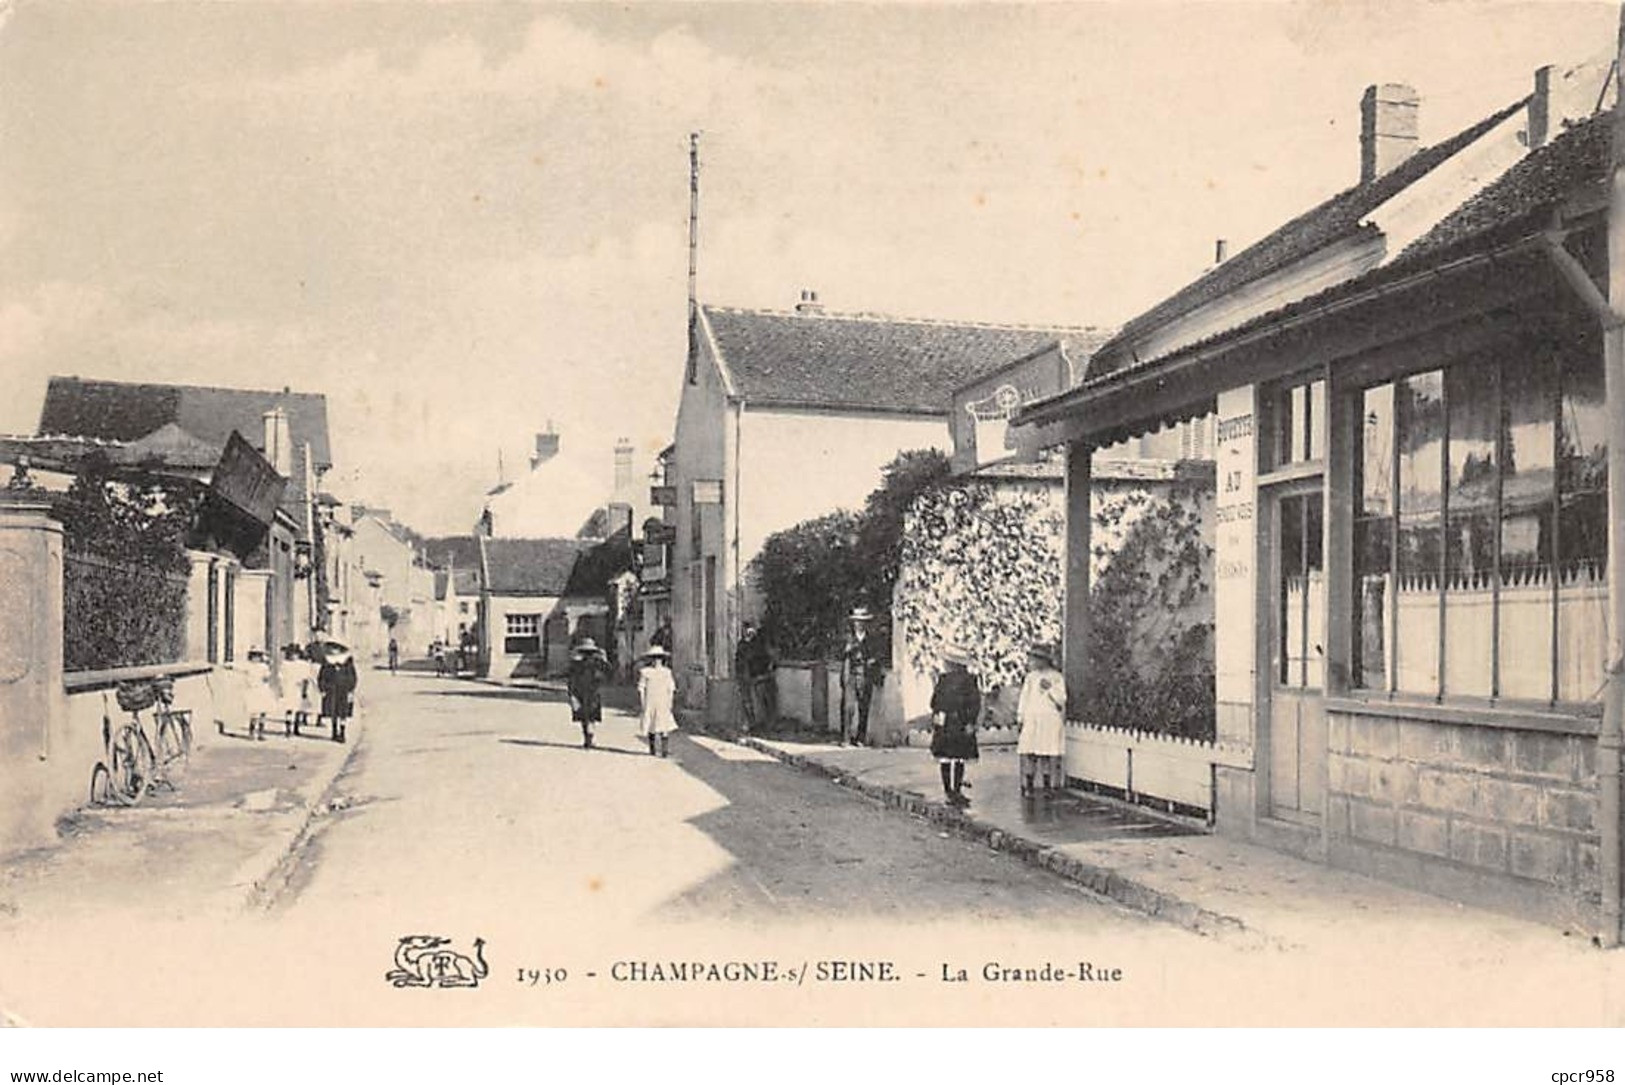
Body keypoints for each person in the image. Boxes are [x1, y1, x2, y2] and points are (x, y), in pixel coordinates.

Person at [930, 645, 981, 806]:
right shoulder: (944, 679)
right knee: (951, 757)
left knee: (956, 757)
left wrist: (970, 721)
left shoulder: (965, 680)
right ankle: (951, 791)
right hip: (951, 721)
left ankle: (953, 790)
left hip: (957, 721)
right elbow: (935, 701)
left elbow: (973, 702)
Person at [1016, 644, 1067, 798]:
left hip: (1049, 718)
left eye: (1037, 659)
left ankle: (1047, 786)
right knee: (1030, 752)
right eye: (1033, 659)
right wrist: (1021, 716)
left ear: (1045, 660)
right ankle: (1028, 785)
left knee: (1046, 752)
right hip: (1032, 717)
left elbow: (1061, 700)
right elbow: (1024, 698)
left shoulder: (1056, 677)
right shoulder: (1031, 677)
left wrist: (1050, 689)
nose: (1034, 662)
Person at [839, 607, 883, 746]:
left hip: (865, 675)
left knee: (864, 708)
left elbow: (878, 655)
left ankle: (860, 738)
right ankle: (846, 738)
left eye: (862, 621)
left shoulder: (872, 639)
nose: (859, 624)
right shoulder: (848, 638)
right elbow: (842, 656)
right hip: (851, 675)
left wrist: (873, 662)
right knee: (848, 707)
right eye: (857, 621)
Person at [567, 637, 611, 750]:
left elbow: (570, 679)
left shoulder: (576, 664)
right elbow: (608, 671)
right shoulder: (597, 662)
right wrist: (604, 658)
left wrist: (571, 694)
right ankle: (589, 739)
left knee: (584, 717)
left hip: (579, 692)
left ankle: (587, 739)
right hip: (593, 692)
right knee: (591, 717)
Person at [638, 645, 678, 758]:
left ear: (662, 659)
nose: (656, 661)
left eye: (659, 658)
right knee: (651, 724)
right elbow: (641, 688)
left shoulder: (667, 672)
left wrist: (670, 702)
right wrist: (642, 702)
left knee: (663, 725)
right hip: (650, 700)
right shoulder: (646, 672)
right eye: (654, 658)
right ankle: (653, 748)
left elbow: (671, 688)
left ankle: (664, 750)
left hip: (663, 701)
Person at [734, 622, 774, 733]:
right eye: (746, 631)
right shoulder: (742, 645)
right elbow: (739, 661)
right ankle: (751, 723)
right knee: (747, 702)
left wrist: (763, 673)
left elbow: (765, 658)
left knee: (760, 702)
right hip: (745, 677)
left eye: (750, 631)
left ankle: (762, 725)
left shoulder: (758, 644)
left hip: (758, 676)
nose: (748, 633)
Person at [318, 641, 359, 744]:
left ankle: (342, 732)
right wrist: (323, 689)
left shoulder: (347, 664)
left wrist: (351, 690)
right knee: (333, 711)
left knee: (343, 712)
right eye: (333, 649)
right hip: (331, 690)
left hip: (343, 690)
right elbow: (321, 677)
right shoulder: (327, 663)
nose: (334, 651)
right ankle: (334, 731)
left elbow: (352, 678)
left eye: (337, 649)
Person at [282, 643, 317, 737]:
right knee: (289, 707)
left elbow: (307, 677)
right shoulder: (285, 664)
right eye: (291, 654)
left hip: (299, 688)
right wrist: (282, 688)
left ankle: (296, 727)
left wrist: (304, 688)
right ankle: (288, 728)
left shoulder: (303, 665)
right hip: (289, 687)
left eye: (295, 654)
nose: (294, 656)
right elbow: (282, 677)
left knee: (298, 708)